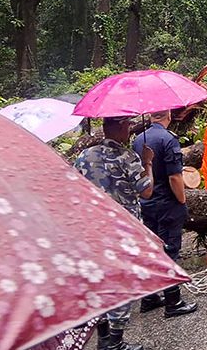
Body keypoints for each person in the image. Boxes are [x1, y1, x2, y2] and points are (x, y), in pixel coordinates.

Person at [75, 117, 154, 350]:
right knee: (123, 282)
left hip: (92, 229)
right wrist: (148, 163)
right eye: (127, 126)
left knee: (100, 282)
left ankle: (103, 337)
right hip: (123, 231)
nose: (129, 130)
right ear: (120, 128)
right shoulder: (127, 157)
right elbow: (146, 191)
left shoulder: (84, 157)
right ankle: (116, 341)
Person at [133, 110, 198, 318]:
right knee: (170, 249)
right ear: (168, 116)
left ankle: (150, 297)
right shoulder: (168, 139)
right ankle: (173, 300)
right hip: (167, 203)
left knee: (151, 251)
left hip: (146, 201)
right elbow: (175, 177)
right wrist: (182, 200)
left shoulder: (138, 140)